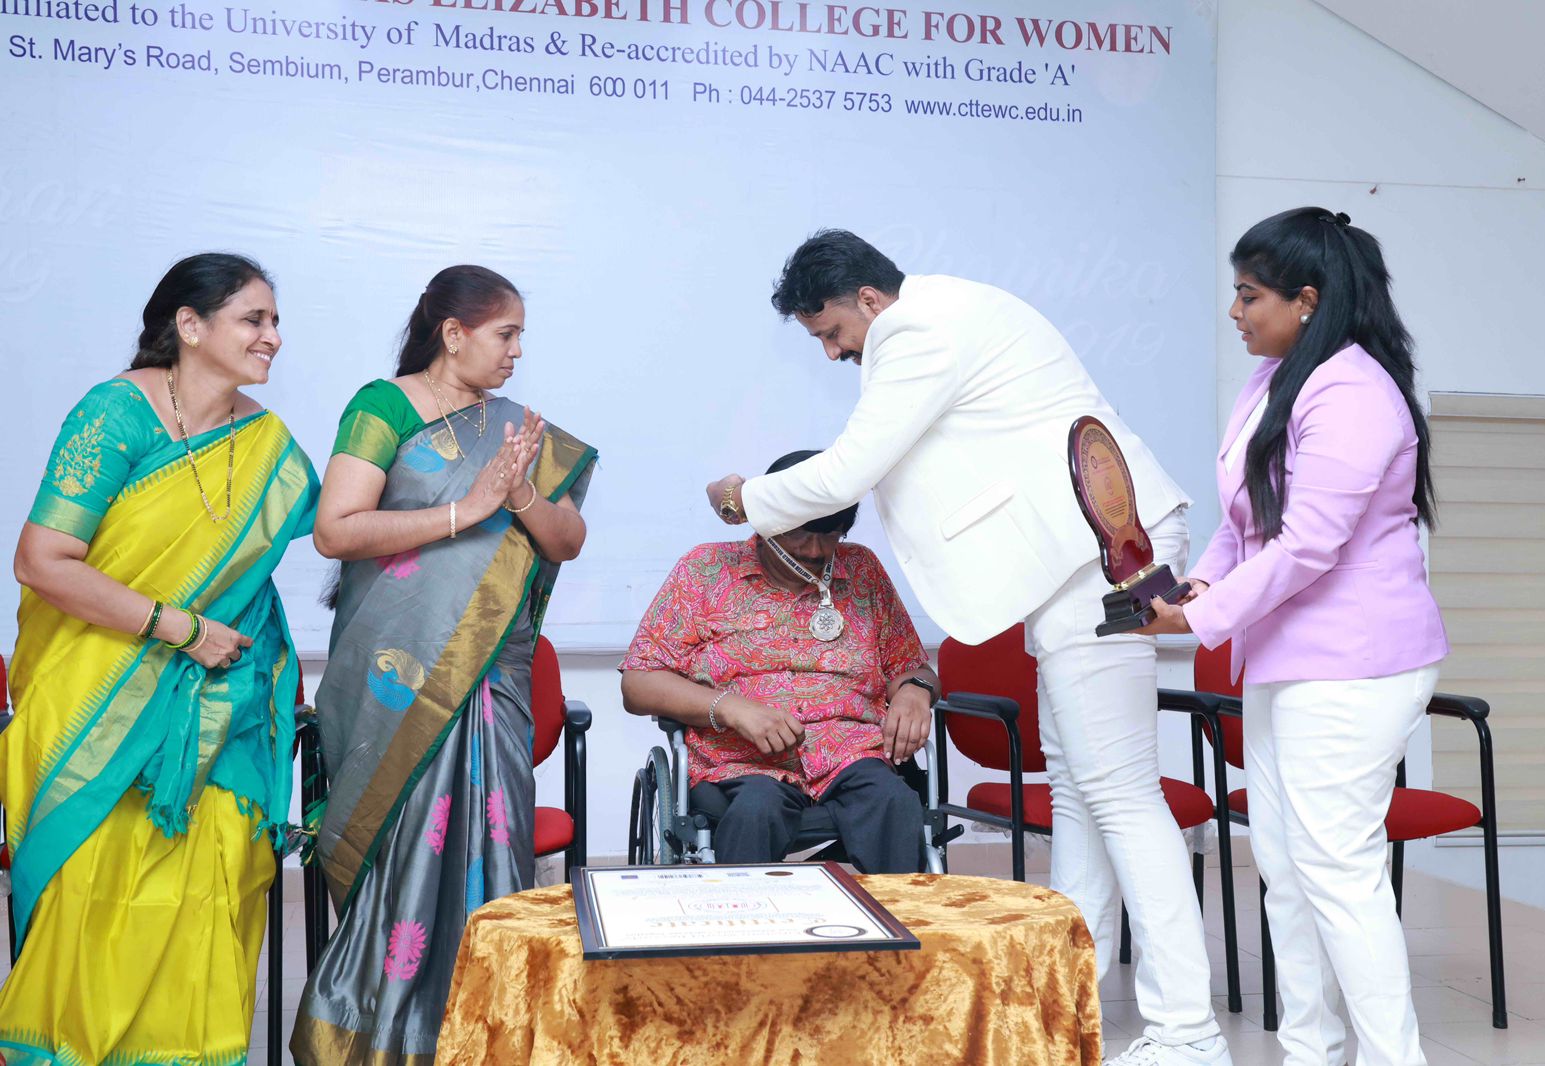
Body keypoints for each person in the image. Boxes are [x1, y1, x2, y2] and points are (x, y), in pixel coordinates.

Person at [705, 230, 1229, 1065]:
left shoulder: (917, 329)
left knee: (1123, 795)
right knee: (1080, 788)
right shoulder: (950, 310)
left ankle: (1187, 1033)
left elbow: (846, 472)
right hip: (1077, 558)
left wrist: (749, 498)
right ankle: (1072, 994)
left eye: (832, 333)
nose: (836, 352)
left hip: (1102, 551)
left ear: (868, 301)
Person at [1139, 207, 1448, 1066]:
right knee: (1282, 865)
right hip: (1285, 658)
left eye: (1249, 296)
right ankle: (1310, 1049)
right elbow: (1246, 525)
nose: (1234, 313)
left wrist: (1198, 619)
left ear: (1306, 299)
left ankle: (1394, 1060)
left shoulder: (1352, 391)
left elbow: (1310, 540)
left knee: (1338, 870)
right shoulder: (1273, 381)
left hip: (1356, 665)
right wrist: (1197, 583)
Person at [0, 254, 319, 1064]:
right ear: (189, 324)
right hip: (94, 700)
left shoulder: (266, 444)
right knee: (95, 900)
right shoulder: (115, 416)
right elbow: (43, 560)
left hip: (223, 704)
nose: (273, 337)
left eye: (274, 321)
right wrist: (180, 629)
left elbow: (299, 550)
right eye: (254, 319)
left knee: (206, 893)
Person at [291, 265, 596, 1064]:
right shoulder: (382, 407)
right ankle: (379, 1032)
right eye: (506, 334)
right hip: (397, 672)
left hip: (490, 678)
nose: (518, 352)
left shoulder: (518, 427)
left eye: (522, 335)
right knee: (398, 851)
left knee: (492, 842)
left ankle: (489, 1031)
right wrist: (467, 509)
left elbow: (565, 539)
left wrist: (520, 494)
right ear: (453, 334)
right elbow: (336, 530)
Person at [623, 450, 936, 872]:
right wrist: (732, 708)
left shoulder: (861, 570)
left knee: (895, 803)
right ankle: (748, 933)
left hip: (850, 751)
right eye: (798, 535)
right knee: (758, 810)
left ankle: (898, 931)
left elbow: (909, 666)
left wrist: (916, 691)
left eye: (831, 535)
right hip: (740, 759)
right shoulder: (705, 571)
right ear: (768, 520)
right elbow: (639, 682)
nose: (815, 550)